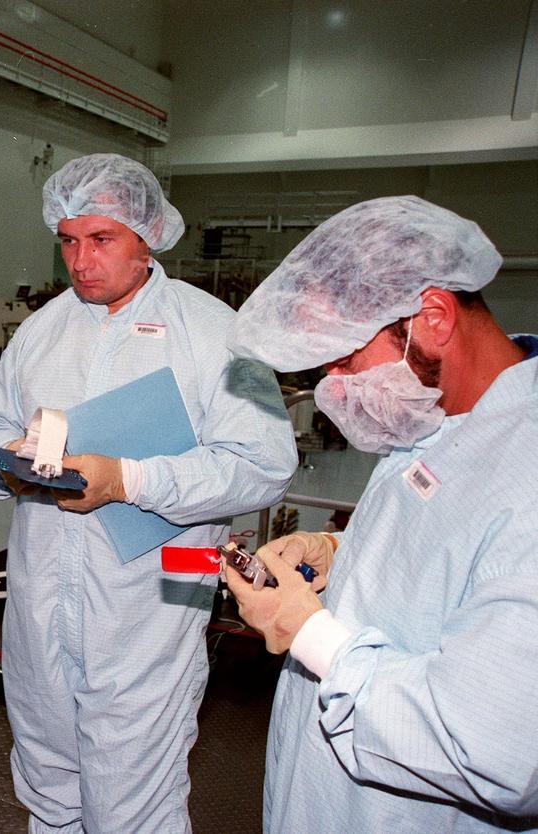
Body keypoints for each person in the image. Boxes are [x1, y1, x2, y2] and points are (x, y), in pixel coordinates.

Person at [0, 153, 297, 833]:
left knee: (133, 800)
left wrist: (132, 479)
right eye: (68, 240)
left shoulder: (214, 333)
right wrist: (6, 459)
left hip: (149, 607)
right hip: (39, 605)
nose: (81, 260)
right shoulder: (43, 329)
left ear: (147, 236)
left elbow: (264, 463)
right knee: (47, 780)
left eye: (102, 239)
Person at [224, 195, 538, 832]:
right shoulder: (437, 415)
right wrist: (340, 555)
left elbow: (498, 751)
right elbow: (451, 561)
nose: (333, 385)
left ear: (432, 317)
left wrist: (312, 635)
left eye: (343, 358)